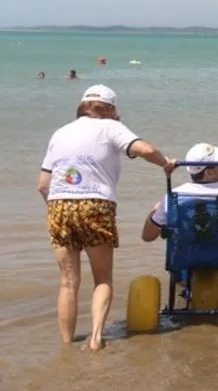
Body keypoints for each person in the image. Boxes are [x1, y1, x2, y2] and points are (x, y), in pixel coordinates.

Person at [37, 84, 176, 351]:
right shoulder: (111, 127)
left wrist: (62, 209)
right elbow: (144, 149)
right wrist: (165, 163)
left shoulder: (60, 132)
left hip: (58, 204)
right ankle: (96, 338)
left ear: (83, 105)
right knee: (102, 278)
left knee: (68, 281)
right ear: (110, 109)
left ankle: (66, 346)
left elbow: (43, 184)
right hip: (95, 204)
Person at [141, 143, 218, 242]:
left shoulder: (175, 196)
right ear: (209, 173)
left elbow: (147, 236)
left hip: (186, 259)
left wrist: (155, 209)